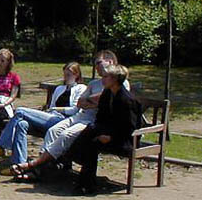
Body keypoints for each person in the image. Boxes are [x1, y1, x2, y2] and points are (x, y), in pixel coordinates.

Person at [8, 50, 131, 179]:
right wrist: (94, 101)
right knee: (53, 131)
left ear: (110, 62)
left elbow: (108, 100)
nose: (96, 66)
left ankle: (35, 168)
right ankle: (43, 168)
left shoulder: (120, 82)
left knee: (65, 135)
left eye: (98, 62)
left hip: (94, 122)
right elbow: (80, 103)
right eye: (94, 64)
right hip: (80, 116)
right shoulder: (93, 83)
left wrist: (93, 100)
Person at [0, 62, 86, 165]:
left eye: (68, 75)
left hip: (65, 121)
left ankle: (0, 146)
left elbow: (74, 110)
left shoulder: (81, 88)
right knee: (21, 124)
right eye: (64, 74)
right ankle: (19, 164)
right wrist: (51, 110)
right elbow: (51, 107)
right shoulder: (59, 88)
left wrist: (58, 109)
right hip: (52, 117)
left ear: (76, 75)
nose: (65, 77)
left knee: (20, 111)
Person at [68, 65, 141, 194]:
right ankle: (84, 181)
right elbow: (101, 117)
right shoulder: (107, 94)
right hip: (108, 132)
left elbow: (129, 127)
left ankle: (83, 181)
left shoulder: (127, 100)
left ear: (115, 79)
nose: (103, 79)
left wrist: (110, 137)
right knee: (90, 132)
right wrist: (100, 131)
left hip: (125, 140)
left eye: (106, 77)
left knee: (91, 145)